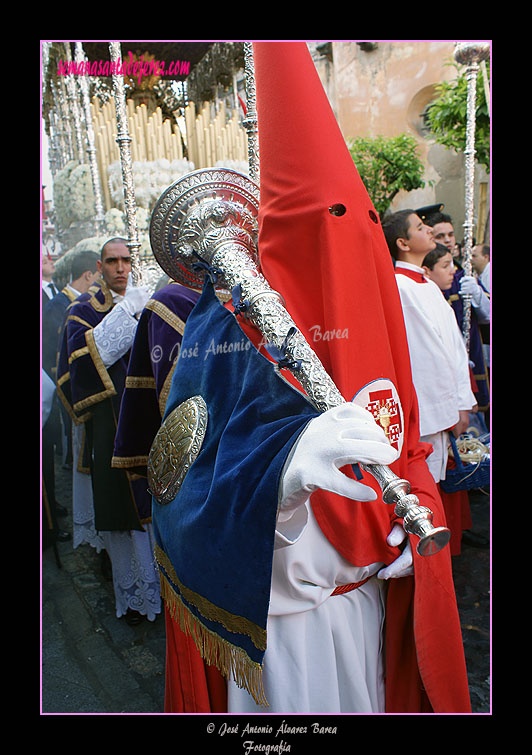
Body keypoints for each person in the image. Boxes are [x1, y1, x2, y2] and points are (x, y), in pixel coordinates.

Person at [153, 42, 471, 714]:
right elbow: (179, 491)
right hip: (278, 639)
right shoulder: (225, 338)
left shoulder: (376, 312)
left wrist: (403, 529)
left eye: (351, 225)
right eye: (315, 231)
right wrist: (282, 480)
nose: (338, 250)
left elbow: (403, 445)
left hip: (362, 613)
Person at [56, 238, 160, 625]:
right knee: (124, 515)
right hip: (112, 428)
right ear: (99, 267)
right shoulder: (82, 310)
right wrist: (124, 317)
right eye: (112, 261)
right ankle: (134, 598)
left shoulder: (148, 304)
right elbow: (77, 369)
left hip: (149, 424)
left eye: (126, 260)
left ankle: (163, 591)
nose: (120, 267)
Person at [382, 209, 477, 555]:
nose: (430, 233)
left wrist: (462, 400)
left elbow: (452, 345)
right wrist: (447, 405)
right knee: (425, 482)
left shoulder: (426, 284)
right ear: (403, 243)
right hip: (427, 403)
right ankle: (425, 549)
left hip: (444, 401)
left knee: (437, 478)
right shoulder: (400, 286)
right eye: (421, 228)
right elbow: (423, 357)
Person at [425, 211, 490, 416]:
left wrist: (478, 296)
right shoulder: (424, 277)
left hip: (474, 356)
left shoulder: (465, 273)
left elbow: (487, 317)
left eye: (450, 235)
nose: (447, 240)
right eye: (440, 236)